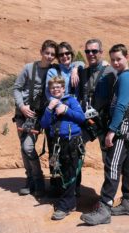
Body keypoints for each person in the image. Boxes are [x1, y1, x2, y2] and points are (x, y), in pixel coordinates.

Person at [80, 44, 129, 225]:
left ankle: (105, 207)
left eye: (119, 59)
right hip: (127, 126)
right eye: (113, 59)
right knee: (127, 164)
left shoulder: (124, 78)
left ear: (126, 57)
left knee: (112, 164)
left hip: (122, 128)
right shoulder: (124, 76)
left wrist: (111, 132)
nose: (115, 63)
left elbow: (121, 105)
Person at [13, 39, 57, 197]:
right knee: (24, 148)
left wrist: (105, 61)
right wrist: (21, 106)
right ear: (41, 52)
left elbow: (76, 63)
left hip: (39, 116)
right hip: (22, 113)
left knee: (28, 147)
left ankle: (38, 181)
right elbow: (17, 88)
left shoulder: (54, 70)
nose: (50, 56)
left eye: (53, 54)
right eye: (47, 53)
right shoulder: (29, 68)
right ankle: (30, 181)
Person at [40, 76, 85, 220]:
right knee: (58, 170)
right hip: (56, 143)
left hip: (71, 141)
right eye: (53, 88)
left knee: (70, 172)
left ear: (63, 89)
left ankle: (66, 205)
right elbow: (44, 124)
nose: (56, 89)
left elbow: (81, 117)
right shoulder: (50, 104)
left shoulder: (71, 101)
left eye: (58, 87)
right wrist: (49, 108)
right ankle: (68, 199)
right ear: (50, 90)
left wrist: (66, 110)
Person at [44, 42, 85, 196]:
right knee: (55, 152)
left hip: (73, 116)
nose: (64, 56)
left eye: (67, 53)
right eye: (60, 54)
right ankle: (57, 186)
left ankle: (75, 188)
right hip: (57, 115)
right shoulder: (53, 71)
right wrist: (59, 107)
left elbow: (82, 62)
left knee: (74, 153)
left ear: (71, 54)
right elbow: (49, 93)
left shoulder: (77, 67)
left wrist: (75, 68)